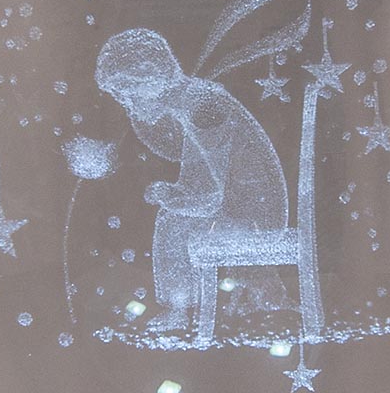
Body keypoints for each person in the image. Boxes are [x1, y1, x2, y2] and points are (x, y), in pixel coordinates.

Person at [96, 28, 289, 333]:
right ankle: (188, 307)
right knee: (173, 217)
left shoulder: (203, 106)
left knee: (172, 223)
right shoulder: (193, 103)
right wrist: (173, 193)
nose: (128, 104)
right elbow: (201, 180)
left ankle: (178, 310)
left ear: (150, 76)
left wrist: (170, 198)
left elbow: (209, 198)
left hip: (255, 219)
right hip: (244, 210)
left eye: (128, 92)